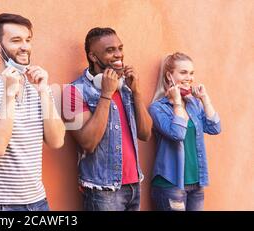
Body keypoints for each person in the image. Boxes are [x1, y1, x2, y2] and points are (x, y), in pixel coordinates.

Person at [0, 13, 65, 211]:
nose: (25, 47)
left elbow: (57, 141)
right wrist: (9, 95)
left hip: (37, 199)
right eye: (16, 40)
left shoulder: (38, 87)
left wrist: (44, 91)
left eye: (28, 40)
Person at [63, 27, 152, 211]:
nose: (118, 54)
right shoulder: (70, 92)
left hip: (134, 186)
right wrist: (106, 95)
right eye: (110, 50)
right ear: (93, 57)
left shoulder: (126, 88)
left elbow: (145, 134)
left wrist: (136, 92)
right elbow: (88, 142)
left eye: (120, 48)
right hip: (102, 191)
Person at [149, 52, 221, 211]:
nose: (189, 77)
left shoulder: (194, 104)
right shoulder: (157, 108)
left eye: (191, 73)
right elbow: (178, 134)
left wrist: (204, 98)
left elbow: (215, 127)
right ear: (169, 75)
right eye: (183, 72)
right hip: (171, 184)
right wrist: (176, 102)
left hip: (196, 183)